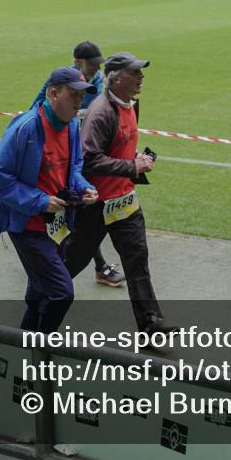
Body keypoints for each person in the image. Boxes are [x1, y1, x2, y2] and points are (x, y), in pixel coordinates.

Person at [65, 52, 173, 338]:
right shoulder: (100, 112)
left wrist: (135, 158)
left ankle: (150, 324)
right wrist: (131, 166)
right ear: (115, 79)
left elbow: (119, 146)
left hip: (125, 202)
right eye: (134, 72)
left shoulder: (131, 105)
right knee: (72, 261)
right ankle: (42, 300)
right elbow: (89, 159)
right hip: (96, 205)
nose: (141, 77)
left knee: (137, 260)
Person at [0, 67, 98, 334]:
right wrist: (40, 201)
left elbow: (73, 167)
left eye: (82, 95)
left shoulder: (72, 125)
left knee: (39, 294)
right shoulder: (25, 127)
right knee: (61, 293)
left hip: (56, 226)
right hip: (27, 226)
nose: (80, 102)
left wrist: (84, 188)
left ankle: (24, 347)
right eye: (73, 95)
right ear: (53, 94)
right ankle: (42, 349)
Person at [30, 41, 125, 289]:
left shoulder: (96, 81)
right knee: (77, 214)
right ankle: (91, 266)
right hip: (60, 155)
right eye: (93, 64)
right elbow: (35, 109)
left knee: (81, 212)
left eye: (98, 64)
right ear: (79, 62)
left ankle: (62, 263)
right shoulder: (60, 82)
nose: (97, 69)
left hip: (81, 154)